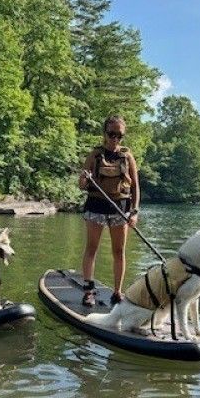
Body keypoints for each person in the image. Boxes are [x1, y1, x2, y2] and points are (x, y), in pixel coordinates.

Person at [78, 115, 140, 307]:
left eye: (119, 135)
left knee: (119, 251)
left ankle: (117, 292)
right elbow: (81, 185)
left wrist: (135, 212)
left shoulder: (127, 156)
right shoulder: (94, 155)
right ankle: (88, 290)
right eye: (111, 134)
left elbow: (136, 187)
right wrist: (85, 179)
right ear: (104, 134)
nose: (115, 138)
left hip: (120, 208)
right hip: (96, 205)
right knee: (92, 248)